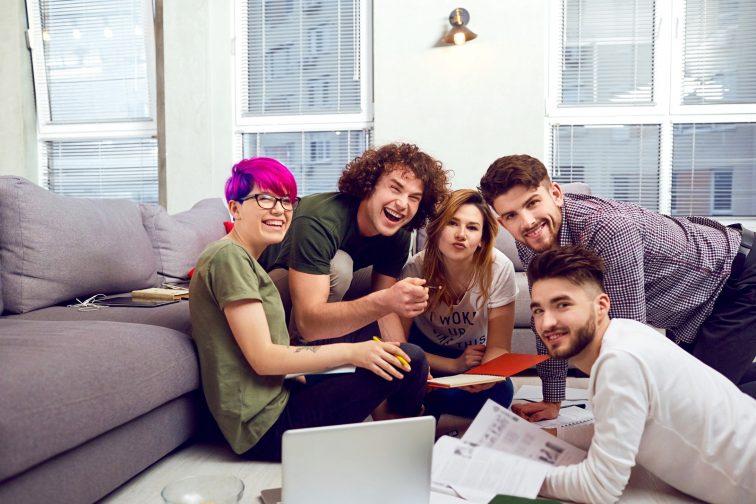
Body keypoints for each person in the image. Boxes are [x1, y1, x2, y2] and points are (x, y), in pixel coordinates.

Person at [479, 154, 756, 420]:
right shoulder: (530, 241)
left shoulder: (607, 229)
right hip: (692, 305)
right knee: (687, 389)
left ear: (555, 194)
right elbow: (546, 318)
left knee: (694, 408)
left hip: (737, 278)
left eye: (532, 203)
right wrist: (552, 400)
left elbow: (626, 332)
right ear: (502, 222)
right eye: (512, 215)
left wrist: (617, 415)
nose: (527, 222)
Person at [189, 157, 429, 461]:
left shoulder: (247, 263)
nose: (279, 210)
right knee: (409, 358)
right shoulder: (227, 257)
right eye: (264, 199)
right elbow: (263, 359)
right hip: (265, 428)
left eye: (286, 201)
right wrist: (352, 353)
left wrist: (327, 370)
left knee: (403, 359)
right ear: (235, 208)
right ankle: (404, 440)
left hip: (284, 395)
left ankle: (401, 434)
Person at [528, 245, 756, 504]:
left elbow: (598, 488)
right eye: (538, 310)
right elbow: (619, 423)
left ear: (601, 306)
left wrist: (514, 474)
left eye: (562, 305)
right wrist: (556, 435)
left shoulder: (619, 362)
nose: (546, 323)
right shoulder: (627, 331)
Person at [264, 143, 450, 344]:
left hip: (326, 281)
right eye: (395, 189)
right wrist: (385, 300)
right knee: (340, 266)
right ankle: (299, 354)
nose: (403, 204)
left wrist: (406, 362)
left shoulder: (399, 232)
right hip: (272, 285)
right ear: (369, 186)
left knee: (380, 286)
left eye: (414, 198)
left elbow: (384, 303)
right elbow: (308, 323)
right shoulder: (320, 218)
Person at [400, 189, 517, 418]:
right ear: (437, 229)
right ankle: (427, 400)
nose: (461, 234)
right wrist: (454, 366)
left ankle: (429, 402)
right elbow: (401, 345)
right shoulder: (416, 268)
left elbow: (499, 347)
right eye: (452, 223)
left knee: (502, 391)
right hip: (425, 353)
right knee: (400, 378)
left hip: (473, 354)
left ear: (483, 239)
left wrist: (482, 377)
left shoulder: (500, 268)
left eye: (472, 227)